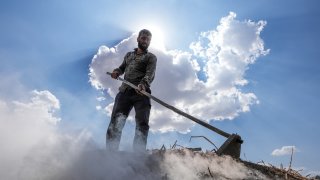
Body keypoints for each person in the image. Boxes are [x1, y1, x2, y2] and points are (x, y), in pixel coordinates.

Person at [106, 29, 157, 152]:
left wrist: (143, 84)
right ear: (138, 39)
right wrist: (116, 72)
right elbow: (122, 68)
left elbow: (150, 74)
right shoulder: (129, 55)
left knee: (142, 125)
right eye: (143, 38)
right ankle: (110, 154)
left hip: (142, 93)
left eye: (148, 39)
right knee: (116, 122)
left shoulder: (151, 57)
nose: (146, 41)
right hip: (124, 92)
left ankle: (138, 156)